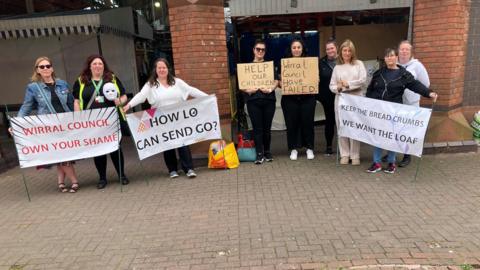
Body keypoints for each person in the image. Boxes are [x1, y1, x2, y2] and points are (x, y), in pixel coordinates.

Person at [123, 58, 207, 178]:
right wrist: (129, 105)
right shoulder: (150, 85)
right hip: (161, 120)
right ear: (155, 70)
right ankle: (172, 170)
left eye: (164, 67)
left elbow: (191, 90)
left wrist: (207, 97)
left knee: (183, 143)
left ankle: (189, 168)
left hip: (178, 119)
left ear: (168, 69)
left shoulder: (177, 82)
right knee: (167, 144)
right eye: (159, 68)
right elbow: (141, 96)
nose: (162, 70)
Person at [366, 48, 437, 174]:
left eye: (392, 56)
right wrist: (370, 102)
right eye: (387, 56)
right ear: (385, 59)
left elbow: (416, 85)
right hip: (379, 111)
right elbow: (370, 90)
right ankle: (376, 163)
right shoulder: (378, 73)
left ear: (396, 57)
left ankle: (391, 163)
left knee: (391, 136)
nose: (389, 58)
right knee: (378, 135)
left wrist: (429, 93)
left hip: (394, 111)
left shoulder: (403, 75)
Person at [16, 56, 80, 193]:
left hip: (65, 124)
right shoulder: (33, 88)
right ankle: (74, 181)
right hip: (48, 127)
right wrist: (17, 123)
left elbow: (69, 102)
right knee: (62, 153)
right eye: (42, 67)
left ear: (52, 68)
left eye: (48, 66)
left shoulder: (62, 83)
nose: (45, 69)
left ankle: (61, 182)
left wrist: (77, 119)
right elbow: (26, 107)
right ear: (37, 70)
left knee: (62, 152)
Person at [73, 54, 129, 189]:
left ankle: (122, 175)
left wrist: (119, 102)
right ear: (89, 66)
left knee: (116, 148)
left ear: (104, 66)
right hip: (93, 123)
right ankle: (102, 178)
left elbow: (124, 96)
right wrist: (78, 119)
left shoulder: (112, 78)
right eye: (95, 64)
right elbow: (77, 101)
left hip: (112, 121)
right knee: (98, 150)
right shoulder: (81, 81)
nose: (98, 66)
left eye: (100, 64)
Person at [390, 40, 430, 167]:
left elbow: (426, 83)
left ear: (411, 52)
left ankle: (407, 155)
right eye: (402, 49)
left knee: (407, 131)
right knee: (394, 129)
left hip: (411, 104)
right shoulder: (393, 64)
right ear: (398, 50)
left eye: (407, 49)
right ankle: (392, 154)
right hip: (396, 103)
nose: (404, 51)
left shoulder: (417, 66)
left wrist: (415, 94)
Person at [329, 39, 367, 165]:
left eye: (349, 50)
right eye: (344, 50)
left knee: (355, 127)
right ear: (341, 52)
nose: (346, 53)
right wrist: (339, 88)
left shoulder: (358, 64)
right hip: (341, 99)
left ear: (353, 52)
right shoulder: (337, 67)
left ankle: (355, 155)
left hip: (355, 99)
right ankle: (344, 154)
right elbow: (332, 85)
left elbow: (362, 80)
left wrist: (348, 84)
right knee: (342, 126)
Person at [241, 40, 278, 164]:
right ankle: (259, 153)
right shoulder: (247, 68)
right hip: (253, 101)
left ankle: (267, 151)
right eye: (258, 49)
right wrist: (248, 90)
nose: (260, 51)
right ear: (253, 50)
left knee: (267, 128)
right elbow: (241, 86)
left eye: (263, 50)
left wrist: (270, 89)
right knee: (257, 129)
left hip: (269, 100)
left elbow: (276, 81)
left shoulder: (269, 66)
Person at [281, 39, 316, 161]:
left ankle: (309, 148)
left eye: (298, 47)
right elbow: (281, 82)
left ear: (302, 48)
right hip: (290, 99)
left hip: (308, 98)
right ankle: (293, 149)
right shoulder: (285, 63)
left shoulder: (310, 62)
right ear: (291, 49)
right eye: (294, 47)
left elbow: (315, 79)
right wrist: (283, 84)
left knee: (308, 123)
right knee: (291, 124)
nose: (296, 49)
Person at [317, 39, 338, 156]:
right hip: (328, 98)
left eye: (332, 48)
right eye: (327, 49)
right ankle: (329, 146)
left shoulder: (343, 61)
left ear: (336, 48)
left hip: (343, 97)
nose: (330, 51)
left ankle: (344, 147)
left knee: (343, 122)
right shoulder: (320, 63)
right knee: (329, 122)